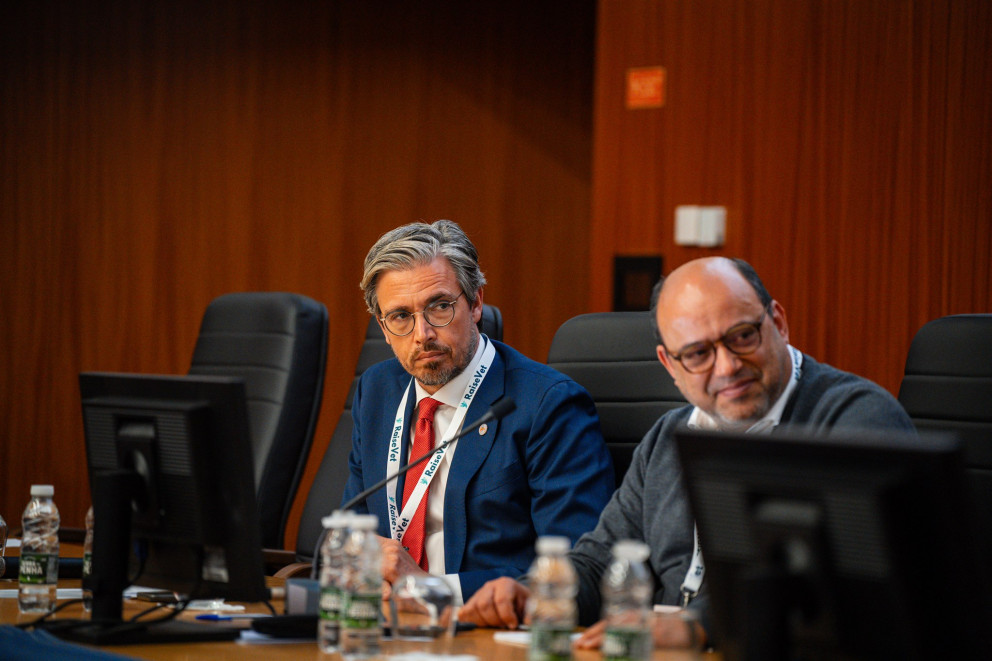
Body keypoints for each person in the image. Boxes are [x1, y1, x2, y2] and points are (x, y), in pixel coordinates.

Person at [459, 256, 916, 648]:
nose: (728, 366)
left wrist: (695, 626)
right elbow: (600, 558)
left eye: (743, 336)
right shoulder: (669, 436)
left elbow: (837, 585)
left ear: (778, 323)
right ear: (670, 365)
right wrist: (536, 594)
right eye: (697, 354)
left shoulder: (856, 420)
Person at [341, 219, 614, 604]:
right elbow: (350, 530)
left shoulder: (547, 404)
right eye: (401, 316)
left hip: (484, 623)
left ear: (476, 303)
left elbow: (574, 569)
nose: (422, 334)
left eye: (440, 307)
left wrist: (430, 589)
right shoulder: (377, 390)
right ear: (383, 329)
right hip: (386, 616)